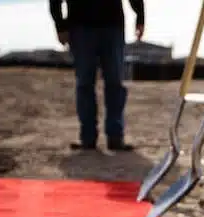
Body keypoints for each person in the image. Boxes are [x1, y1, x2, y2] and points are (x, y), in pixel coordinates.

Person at [50, 0, 145, 151]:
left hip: (112, 26)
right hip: (80, 27)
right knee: (85, 83)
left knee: (115, 83)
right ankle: (88, 138)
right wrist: (60, 26)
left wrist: (140, 17)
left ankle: (115, 137)